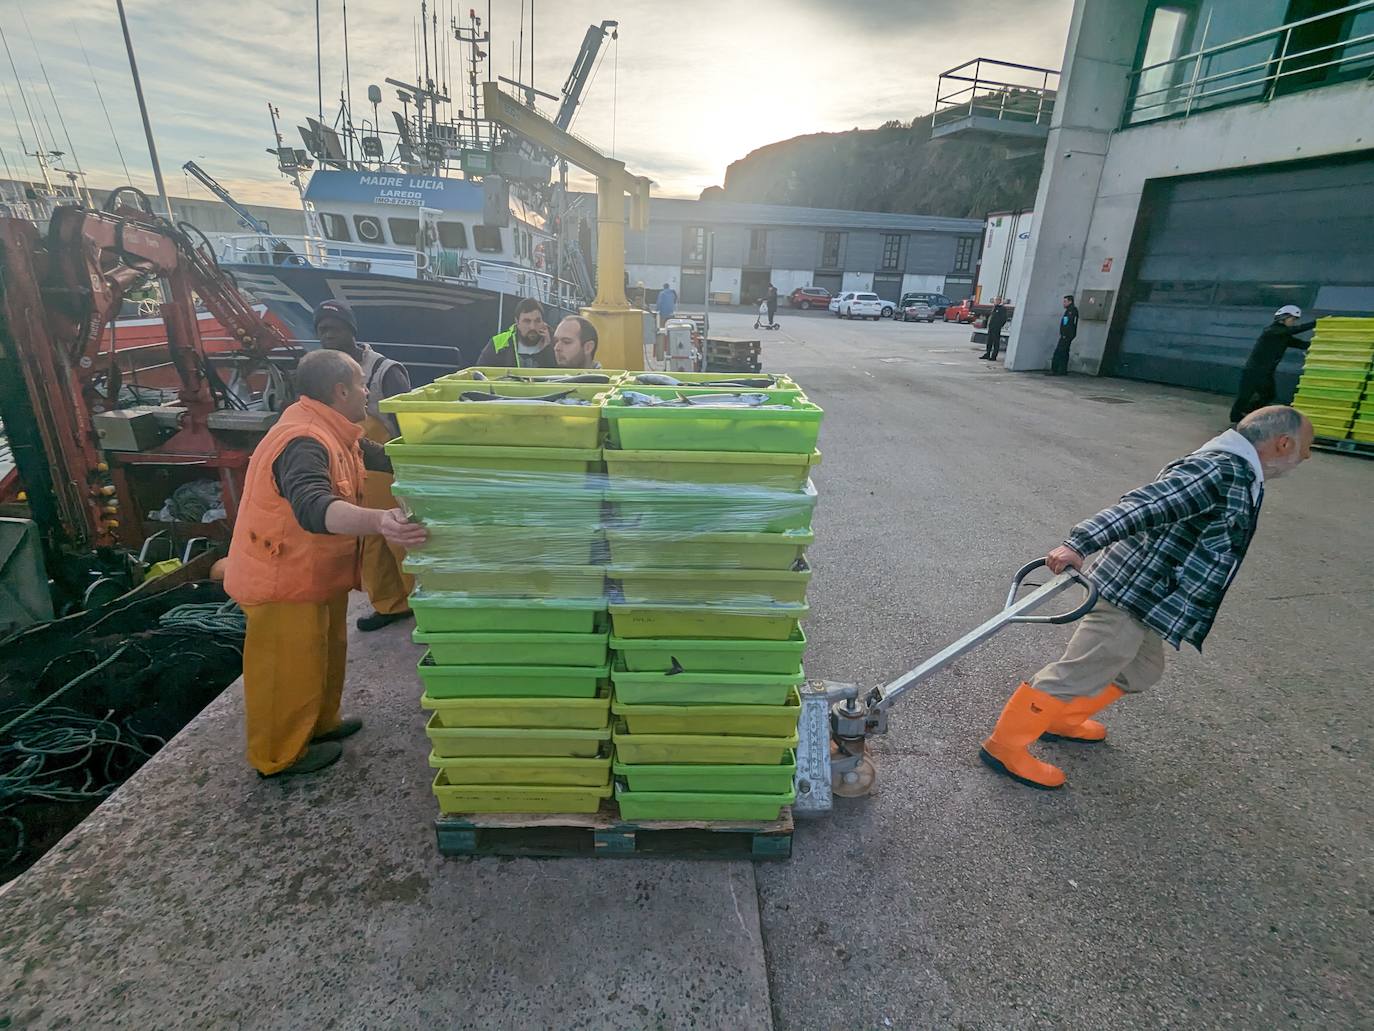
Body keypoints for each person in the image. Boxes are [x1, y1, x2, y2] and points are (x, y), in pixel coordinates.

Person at [979, 405, 1313, 790]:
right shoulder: (1219, 471)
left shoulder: (1242, 475)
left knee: (1141, 670)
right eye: (1306, 448)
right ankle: (1005, 747)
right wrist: (1079, 543)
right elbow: (1145, 505)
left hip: (1156, 597)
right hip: (1131, 592)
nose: (1306, 457)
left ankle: (1060, 720)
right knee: (1079, 671)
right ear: (1283, 442)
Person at [225, 349, 428, 777]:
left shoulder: (337, 432)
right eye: (360, 384)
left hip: (314, 576)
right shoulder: (303, 441)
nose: (367, 390)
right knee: (287, 667)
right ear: (340, 391)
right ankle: (278, 755)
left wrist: (453, 457)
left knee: (324, 653)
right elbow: (314, 507)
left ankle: (318, 725)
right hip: (282, 579)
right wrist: (381, 521)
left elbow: (387, 457)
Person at [314, 300, 415, 632]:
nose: (326, 335)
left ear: (351, 332)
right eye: (321, 330)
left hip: (388, 470)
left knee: (400, 539)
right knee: (369, 543)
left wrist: (408, 467)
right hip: (354, 470)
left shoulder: (385, 370)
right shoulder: (328, 373)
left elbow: (408, 425)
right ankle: (388, 604)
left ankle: (421, 605)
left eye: (333, 329)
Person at [1230, 304, 1316, 424]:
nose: (1293, 322)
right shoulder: (1272, 331)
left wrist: (1319, 345)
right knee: (1245, 396)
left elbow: (1300, 343)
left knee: (1269, 395)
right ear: (1283, 318)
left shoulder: (1283, 335)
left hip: (1266, 372)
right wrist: (1316, 323)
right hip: (1254, 370)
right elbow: (1294, 330)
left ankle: (1247, 412)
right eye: (1292, 319)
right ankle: (1236, 417)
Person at [475, 297, 555, 368]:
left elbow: (564, 375)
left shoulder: (557, 342)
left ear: (543, 321)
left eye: (537, 321)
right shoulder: (498, 344)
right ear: (517, 322)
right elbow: (480, 374)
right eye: (527, 321)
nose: (532, 327)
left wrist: (548, 350)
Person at [1049, 294, 1079, 375]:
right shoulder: (1069, 310)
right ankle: (1062, 370)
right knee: (1064, 353)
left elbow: (1069, 324)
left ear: (1070, 301)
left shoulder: (1071, 311)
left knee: (1059, 352)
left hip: (1066, 336)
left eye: (1065, 301)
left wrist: (1065, 334)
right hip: (1067, 335)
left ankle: (1055, 370)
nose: (1063, 303)